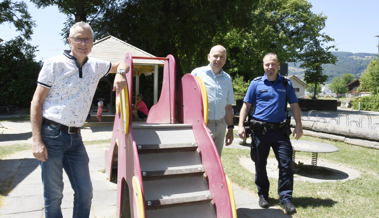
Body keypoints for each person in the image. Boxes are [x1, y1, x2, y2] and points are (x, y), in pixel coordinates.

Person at [30, 21, 129, 218]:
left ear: (92, 42)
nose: (83, 43)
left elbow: (124, 62)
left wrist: (119, 73)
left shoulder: (96, 65)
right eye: (78, 39)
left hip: (76, 138)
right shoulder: (54, 64)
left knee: (85, 192)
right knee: (54, 195)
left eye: (87, 39)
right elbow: (36, 101)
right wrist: (36, 139)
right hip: (52, 135)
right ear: (69, 41)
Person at [237, 52, 303, 215]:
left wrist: (299, 125)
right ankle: (263, 195)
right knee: (260, 164)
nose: (270, 67)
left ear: (278, 65)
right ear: (263, 66)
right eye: (267, 64)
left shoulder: (285, 84)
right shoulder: (256, 84)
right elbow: (246, 106)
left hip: (280, 132)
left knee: (286, 165)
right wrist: (240, 126)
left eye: (273, 64)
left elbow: (294, 105)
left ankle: (286, 199)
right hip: (260, 131)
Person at [191, 45, 235, 156]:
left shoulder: (227, 79)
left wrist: (230, 129)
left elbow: (228, 107)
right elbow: (188, 102)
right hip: (203, 124)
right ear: (209, 57)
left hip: (221, 125)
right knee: (201, 158)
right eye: (216, 56)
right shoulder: (197, 74)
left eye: (222, 57)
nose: (218, 60)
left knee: (216, 159)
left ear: (225, 60)